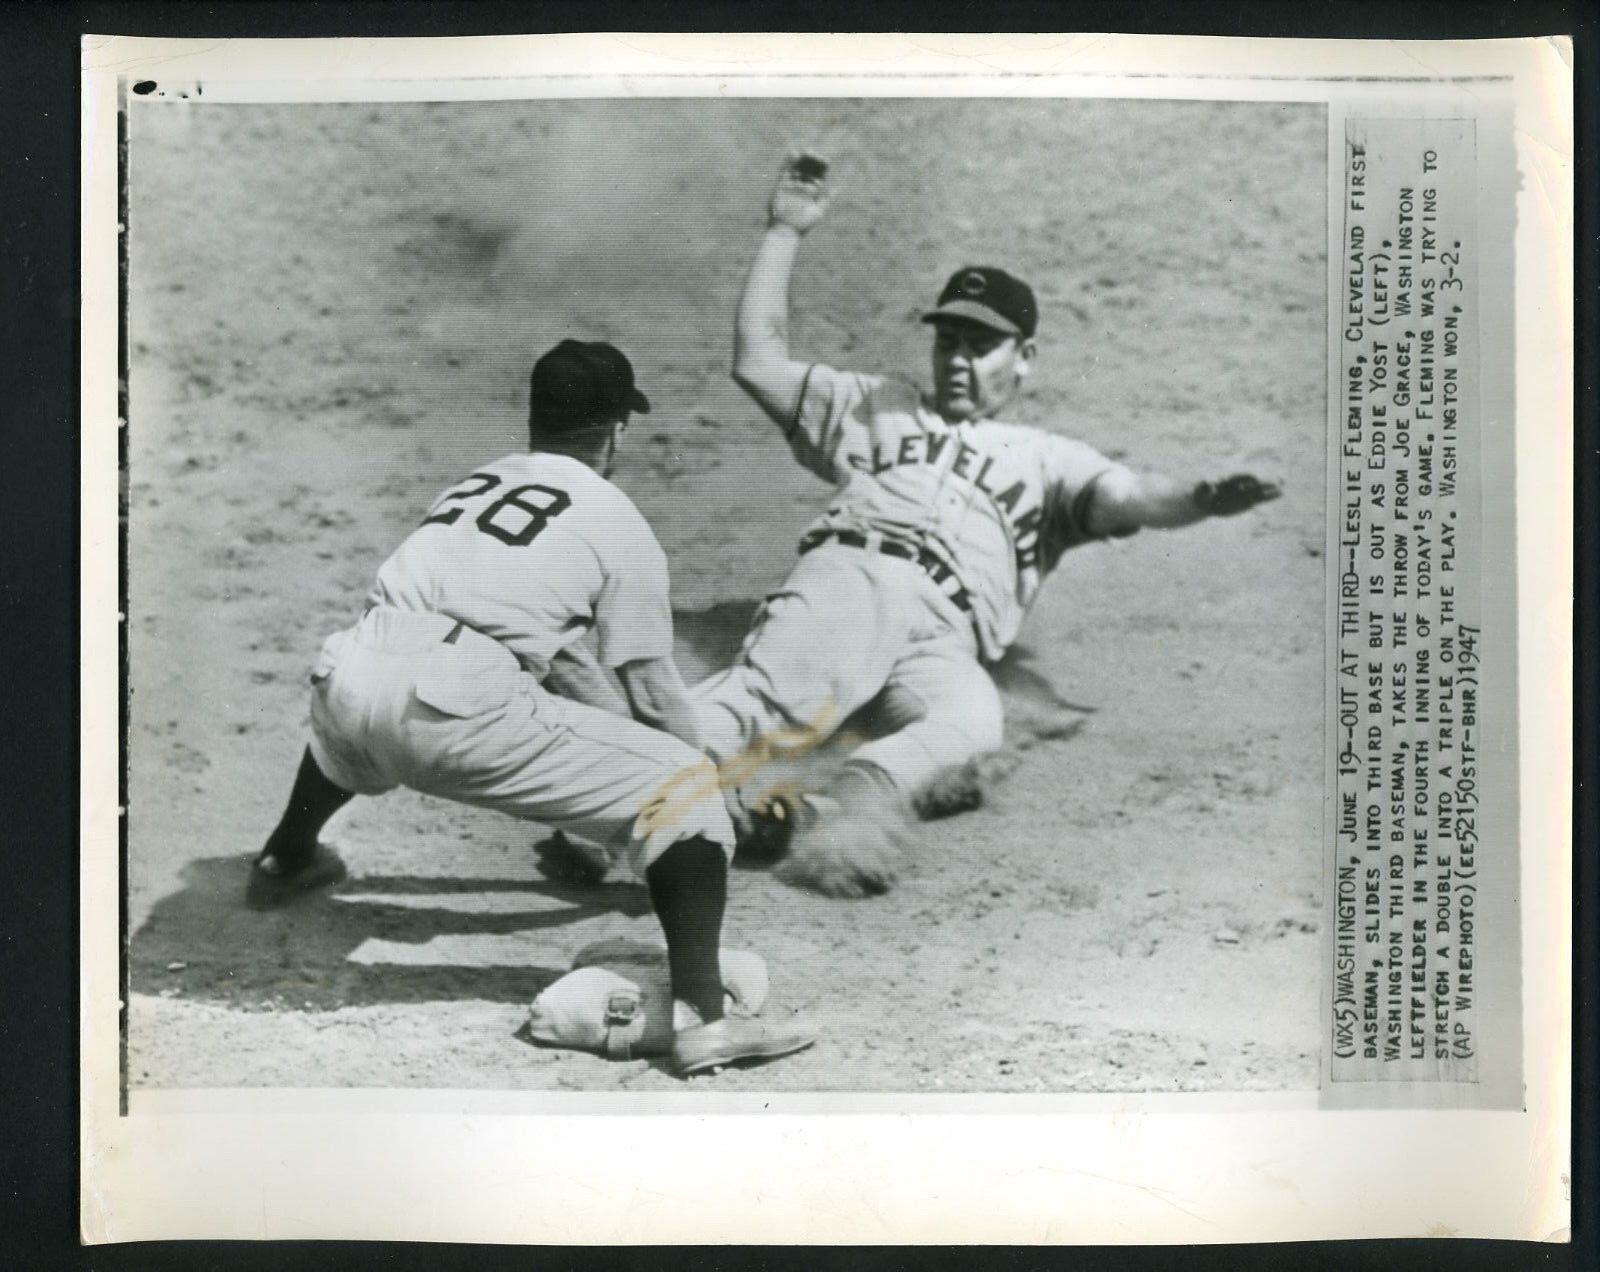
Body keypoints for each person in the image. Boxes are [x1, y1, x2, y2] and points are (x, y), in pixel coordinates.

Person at [694, 155, 1281, 897]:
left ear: (1024, 358)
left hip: (945, 636)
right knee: (763, 705)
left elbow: (1133, 496)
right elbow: (759, 360)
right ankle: (616, 807)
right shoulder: (877, 403)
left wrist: (1200, 497)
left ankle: (827, 810)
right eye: (949, 342)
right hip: (858, 578)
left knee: (972, 724)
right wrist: (784, 230)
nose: (959, 360)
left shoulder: (1045, 459)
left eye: (981, 345)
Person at [249, 339, 815, 1076]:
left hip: (345, 673)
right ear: (616, 430)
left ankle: (285, 856)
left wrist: (606, 780)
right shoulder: (616, 520)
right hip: (451, 705)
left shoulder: (471, 487)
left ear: (536, 420)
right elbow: (653, 695)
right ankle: (703, 1020)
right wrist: (717, 789)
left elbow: (573, 668)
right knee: (688, 791)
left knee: (360, 720)